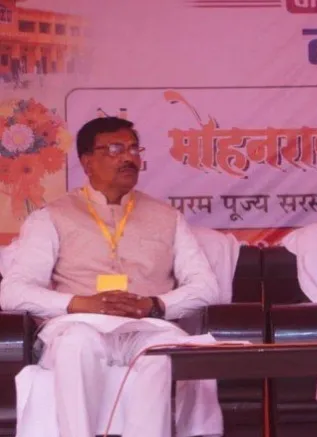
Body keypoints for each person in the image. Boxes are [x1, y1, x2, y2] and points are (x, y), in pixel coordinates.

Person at [0, 116, 223, 437]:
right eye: (116, 149)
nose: (129, 157)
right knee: (76, 345)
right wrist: (80, 303)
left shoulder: (167, 217)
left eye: (134, 149)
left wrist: (154, 305)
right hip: (80, 324)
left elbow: (205, 287)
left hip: (147, 327)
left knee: (160, 353)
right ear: (87, 162)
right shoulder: (52, 217)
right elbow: (13, 291)